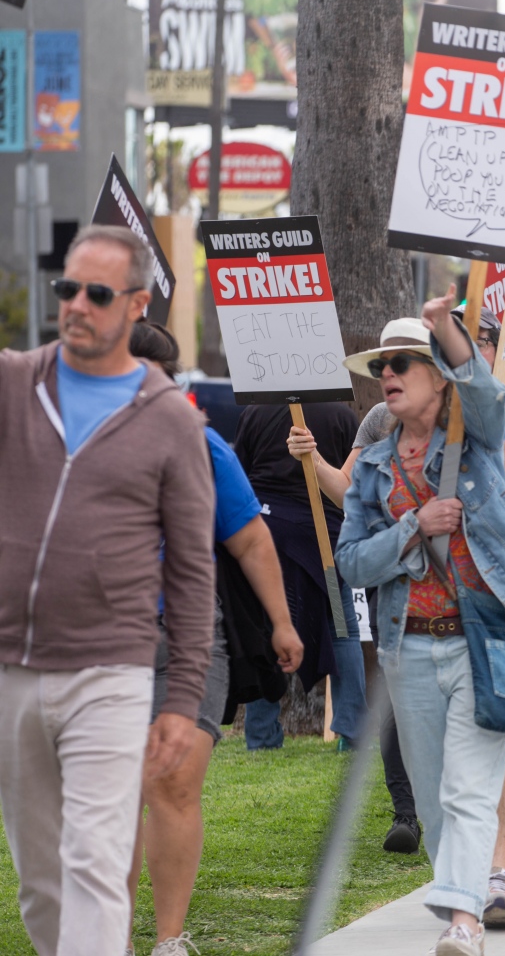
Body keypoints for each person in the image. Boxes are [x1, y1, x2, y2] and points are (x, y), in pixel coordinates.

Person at [292, 305, 505, 928]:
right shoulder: (372, 468)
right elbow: (353, 562)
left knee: (470, 788)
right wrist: (411, 528)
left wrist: (442, 322)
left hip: (483, 641)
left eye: (401, 364)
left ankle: (464, 922)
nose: (388, 374)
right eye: (381, 367)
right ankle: (460, 896)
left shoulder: (474, 435)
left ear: (436, 375)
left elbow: (481, 387)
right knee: (431, 797)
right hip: (408, 646)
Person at [0, 225, 216, 956]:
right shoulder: (14, 384)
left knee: (94, 859)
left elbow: (193, 568)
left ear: (136, 304)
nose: (77, 306)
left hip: (112, 671)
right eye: (68, 289)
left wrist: (182, 697)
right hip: (12, 666)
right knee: (40, 881)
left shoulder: (168, 421)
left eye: (97, 293)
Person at [122, 323, 303, 956]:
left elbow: (249, 537)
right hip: (99, 643)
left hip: (189, 639)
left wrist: (282, 621)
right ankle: (104, 936)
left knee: (172, 783)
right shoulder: (68, 440)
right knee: (113, 797)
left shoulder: (201, 446)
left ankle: (169, 939)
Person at [234, 397, 364, 751]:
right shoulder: (340, 413)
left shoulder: (256, 411)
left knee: (266, 627)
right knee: (342, 628)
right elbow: (353, 481)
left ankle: (261, 737)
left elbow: (240, 475)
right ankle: (351, 732)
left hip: (268, 534)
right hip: (318, 537)